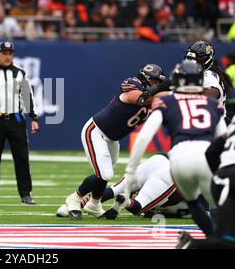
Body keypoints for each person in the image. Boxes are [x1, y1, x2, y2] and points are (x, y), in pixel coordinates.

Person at [125, 60, 227, 237]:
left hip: (179, 160)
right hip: (205, 157)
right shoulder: (213, 104)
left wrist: (131, 169)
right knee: (218, 205)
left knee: (193, 203)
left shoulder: (166, 102)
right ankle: (220, 239)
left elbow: (143, 137)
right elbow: (222, 139)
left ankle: (213, 240)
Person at [64, 63, 168, 220]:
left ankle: (94, 203)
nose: (158, 85)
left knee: (103, 175)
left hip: (112, 140)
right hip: (96, 131)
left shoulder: (154, 97)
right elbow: (139, 99)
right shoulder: (132, 84)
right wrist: (169, 91)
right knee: (105, 174)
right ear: (146, 79)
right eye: (155, 82)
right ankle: (75, 198)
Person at [0, 41, 39, 205]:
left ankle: (25, 194)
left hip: (16, 119)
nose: (7, 56)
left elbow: (27, 95)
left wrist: (33, 117)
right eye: (4, 53)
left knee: (21, 158)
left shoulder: (20, 73)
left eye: (10, 53)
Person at [56, 154, 181, 219]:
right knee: (139, 207)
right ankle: (125, 202)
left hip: (158, 159)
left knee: (114, 189)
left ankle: (73, 206)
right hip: (171, 173)